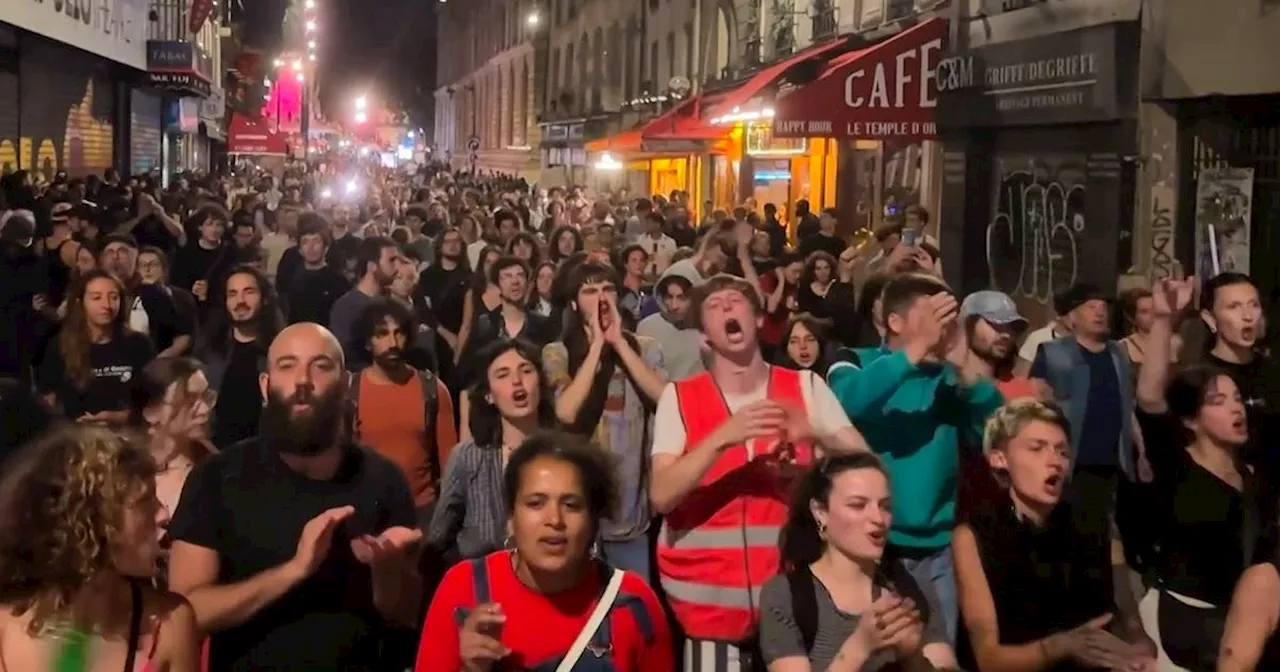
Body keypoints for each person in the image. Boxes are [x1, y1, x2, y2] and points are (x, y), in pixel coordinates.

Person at [166, 322, 423, 670]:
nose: (303, 380)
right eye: (287, 366)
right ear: (265, 385)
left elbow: (407, 613)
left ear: (346, 384)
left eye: (321, 365)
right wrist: (293, 571)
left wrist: (387, 571)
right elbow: (185, 614)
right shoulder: (216, 478)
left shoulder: (383, 479)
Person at [650, 274, 869, 671]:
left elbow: (867, 467)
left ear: (757, 318)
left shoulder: (806, 387)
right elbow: (662, 494)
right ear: (705, 336)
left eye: (736, 301)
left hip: (797, 610)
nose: (728, 308)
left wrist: (816, 432)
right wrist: (721, 439)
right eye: (715, 307)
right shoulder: (679, 397)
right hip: (709, 615)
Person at [828, 273, 1003, 640]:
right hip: (869, 547)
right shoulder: (856, 361)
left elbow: (999, 431)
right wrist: (915, 350)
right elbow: (845, 403)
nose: (942, 328)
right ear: (895, 321)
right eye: (932, 316)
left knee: (937, 657)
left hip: (937, 548)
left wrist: (964, 371)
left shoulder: (948, 379)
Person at [417, 430, 674, 672]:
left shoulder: (633, 602)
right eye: (535, 503)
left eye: (571, 505)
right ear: (511, 517)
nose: (554, 519)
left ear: (594, 520)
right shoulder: (463, 588)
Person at [1131, 276, 1272, 671]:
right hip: (1177, 622)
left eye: (1237, 399)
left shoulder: (1251, 478)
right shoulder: (1177, 462)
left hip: (1230, 626)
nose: (1235, 408)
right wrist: (1163, 320)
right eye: (1218, 401)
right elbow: (1149, 396)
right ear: (1191, 418)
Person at [953, 399, 1154, 672]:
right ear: (1000, 459)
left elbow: (1126, 615)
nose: (1054, 461)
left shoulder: (1093, 520)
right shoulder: (974, 535)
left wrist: (1139, 645)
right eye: (1036, 448)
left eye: (1062, 452)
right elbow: (988, 659)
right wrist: (1059, 646)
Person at [0, 425, 201, 671]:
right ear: (88, 519)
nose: (164, 514)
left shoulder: (170, 625)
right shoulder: (4, 629)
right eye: (144, 501)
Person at [760, 453, 959, 670]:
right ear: (821, 513)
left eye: (885, 506)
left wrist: (913, 656)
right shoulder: (786, 596)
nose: (878, 518)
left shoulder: (912, 587)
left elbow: (945, 664)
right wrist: (860, 647)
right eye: (858, 505)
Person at [543, 261, 666, 576]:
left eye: (607, 289)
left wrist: (620, 344)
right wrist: (597, 345)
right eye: (590, 291)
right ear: (573, 303)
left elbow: (667, 400)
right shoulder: (558, 353)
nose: (601, 298)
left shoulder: (645, 349)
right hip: (581, 514)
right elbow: (567, 411)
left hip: (632, 517)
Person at [430, 339, 558, 561]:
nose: (517, 381)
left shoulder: (563, 455)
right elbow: (438, 540)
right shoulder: (468, 458)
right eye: (503, 375)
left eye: (526, 371)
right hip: (484, 586)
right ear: (488, 395)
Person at [349, 298, 457, 526]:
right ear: (368, 342)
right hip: (369, 513)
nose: (392, 342)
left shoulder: (433, 390)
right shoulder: (350, 392)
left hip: (424, 513)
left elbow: (450, 467)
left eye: (398, 333)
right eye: (382, 334)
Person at [37, 269, 155, 425]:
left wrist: (120, 418)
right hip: (76, 437)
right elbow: (48, 404)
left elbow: (154, 401)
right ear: (80, 302)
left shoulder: (139, 344)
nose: (106, 305)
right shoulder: (59, 346)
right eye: (96, 298)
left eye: (113, 297)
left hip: (129, 435)